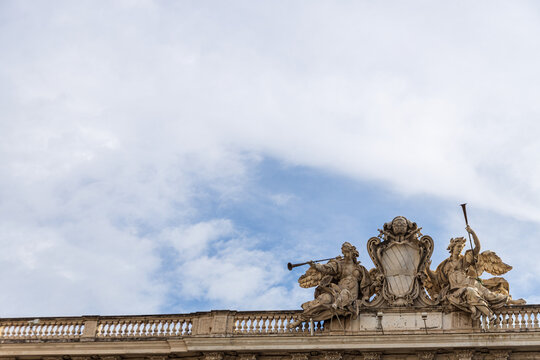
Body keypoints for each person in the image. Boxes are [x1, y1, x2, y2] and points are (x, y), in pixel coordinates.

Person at [427, 226, 525, 321]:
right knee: (471, 292)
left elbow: (477, 248)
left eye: (461, 247)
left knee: (490, 295)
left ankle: (510, 301)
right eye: (458, 246)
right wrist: (427, 269)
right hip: (456, 291)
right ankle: (490, 316)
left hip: (470, 282)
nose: (459, 249)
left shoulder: (463, 261)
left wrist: (472, 233)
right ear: (452, 247)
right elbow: (436, 278)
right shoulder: (445, 265)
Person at [289, 242, 371, 328]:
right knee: (323, 300)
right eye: (344, 252)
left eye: (347, 252)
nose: (346, 255)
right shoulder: (339, 265)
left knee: (344, 295)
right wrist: (315, 266)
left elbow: (365, 283)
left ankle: (335, 305)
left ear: (352, 252)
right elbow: (327, 268)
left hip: (351, 295)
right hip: (337, 290)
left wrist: (366, 296)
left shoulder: (360, 268)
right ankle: (301, 319)